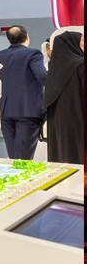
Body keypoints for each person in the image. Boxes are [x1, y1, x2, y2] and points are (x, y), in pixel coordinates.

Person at [0, 26, 47, 160]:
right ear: (27, 36)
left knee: (13, 156)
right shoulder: (33, 54)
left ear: (8, 39)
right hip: (27, 111)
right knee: (24, 158)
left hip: (4, 111)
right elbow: (43, 77)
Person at [42, 30, 84, 164]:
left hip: (57, 122)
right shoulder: (81, 65)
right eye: (82, 41)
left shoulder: (54, 70)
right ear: (73, 44)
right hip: (78, 119)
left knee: (62, 155)